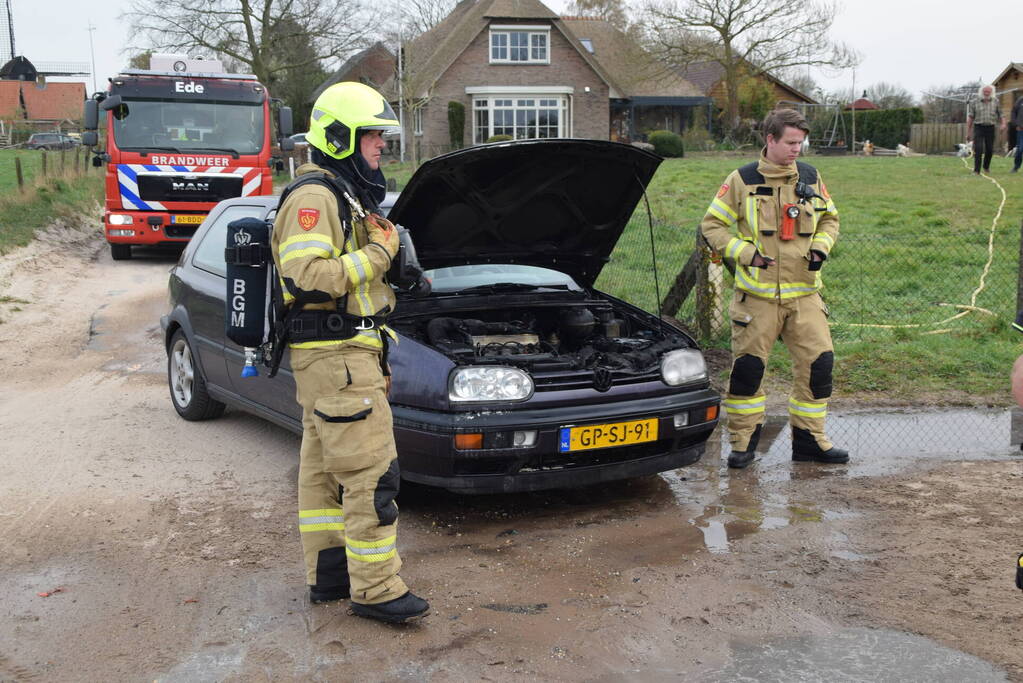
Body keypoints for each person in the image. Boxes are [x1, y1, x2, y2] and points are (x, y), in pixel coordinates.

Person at [270, 81, 429, 623]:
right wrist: (380, 255)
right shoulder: (316, 197)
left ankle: (331, 577)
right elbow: (311, 278)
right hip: (337, 354)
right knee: (370, 475)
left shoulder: (342, 192)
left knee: (321, 475)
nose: (381, 146)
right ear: (339, 138)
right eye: (372, 137)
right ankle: (378, 589)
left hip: (337, 354)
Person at [700, 108, 848, 469]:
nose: (798, 149)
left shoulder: (811, 176)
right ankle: (743, 442)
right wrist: (745, 253)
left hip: (805, 295)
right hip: (758, 298)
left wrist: (821, 247)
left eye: (801, 142)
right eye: (791, 142)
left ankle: (810, 441)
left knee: (819, 366)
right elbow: (712, 226)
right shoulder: (742, 179)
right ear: (770, 139)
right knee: (748, 371)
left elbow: (830, 219)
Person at [966, 84, 1005, 175]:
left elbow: (1001, 115)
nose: (987, 93)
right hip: (979, 127)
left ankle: (986, 167)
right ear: (981, 92)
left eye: (988, 91)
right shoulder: (975, 102)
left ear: (992, 92)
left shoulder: (996, 101)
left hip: (990, 128)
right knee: (978, 149)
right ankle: (976, 170)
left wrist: (1003, 124)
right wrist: (968, 132)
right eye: (985, 91)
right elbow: (971, 117)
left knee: (989, 149)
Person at [1010, 94, 1023, 173]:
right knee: (1020, 149)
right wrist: (1016, 124)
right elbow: (1013, 112)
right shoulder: (1020, 100)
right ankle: (1016, 167)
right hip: (1021, 129)